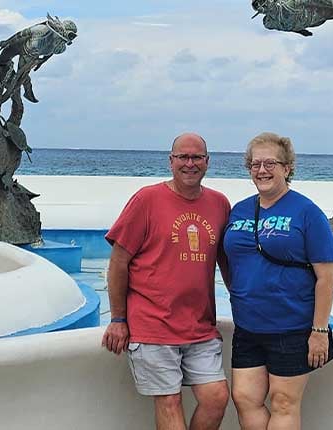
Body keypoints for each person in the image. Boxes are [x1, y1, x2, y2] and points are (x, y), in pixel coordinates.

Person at [101, 132, 232, 430]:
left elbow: (228, 264)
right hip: (152, 325)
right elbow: (119, 262)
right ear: (171, 162)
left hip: (200, 327)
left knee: (216, 398)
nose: (190, 163)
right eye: (183, 157)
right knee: (169, 402)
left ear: (208, 162)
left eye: (196, 157)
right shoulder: (146, 199)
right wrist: (118, 319)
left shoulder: (219, 204)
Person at [223, 132, 333, 430]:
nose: (262, 170)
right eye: (255, 164)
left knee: (284, 403)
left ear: (287, 168)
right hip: (248, 327)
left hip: (292, 327)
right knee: (244, 397)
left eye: (270, 163)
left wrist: (319, 331)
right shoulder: (240, 210)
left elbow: (326, 278)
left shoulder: (308, 213)